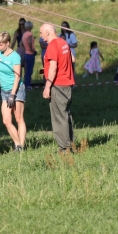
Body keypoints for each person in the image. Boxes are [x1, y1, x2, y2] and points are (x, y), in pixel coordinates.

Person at [39, 23, 75, 153]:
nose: (40, 36)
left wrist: (47, 86)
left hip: (57, 85)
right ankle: (71, 143)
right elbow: (73, 59)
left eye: (41, 33)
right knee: (66, 115)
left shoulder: (52, 45)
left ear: (47, 32)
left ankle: (64, 148)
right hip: (67, 84)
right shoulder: (63, 42)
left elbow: (53, 67)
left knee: (59, 117)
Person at [21, 21, 36, 87]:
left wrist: (26, 49)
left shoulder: (24, 34)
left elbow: (21, 43)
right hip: (30, 53)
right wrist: (32, 50)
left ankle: (27, 83)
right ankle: (28, 84)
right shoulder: (29, 34)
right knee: (29, 70)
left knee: (27, 70)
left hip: (26, 53)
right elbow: (30, 42)